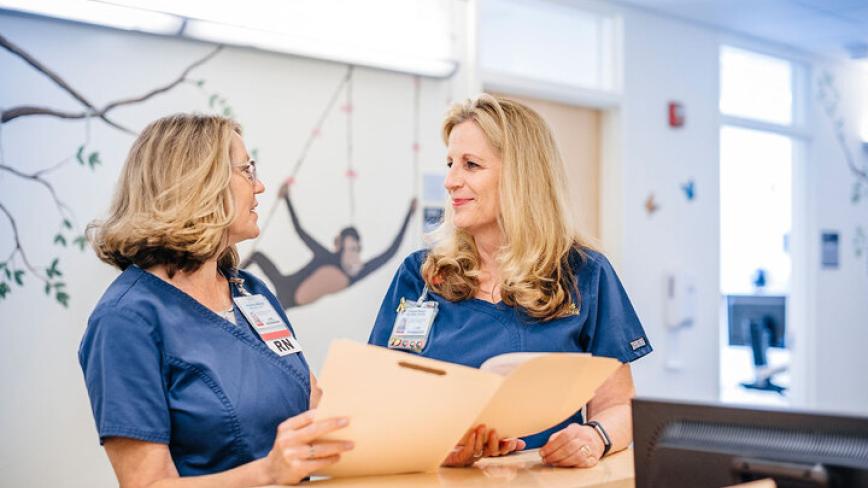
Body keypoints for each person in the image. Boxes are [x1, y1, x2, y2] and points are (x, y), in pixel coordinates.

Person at [368, 95, 652, 468]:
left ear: (522, 176)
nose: (451, 181)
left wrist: (594, 436)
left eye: (471, 165)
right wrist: (436, 445)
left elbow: (618, 404)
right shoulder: (420, 276)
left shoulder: (585, 274)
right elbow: (375, 402)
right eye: (450, 163)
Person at [80, 114, 353, 486]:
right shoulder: (126, 320)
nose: (259, 186)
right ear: (198, 184)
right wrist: (268, 473)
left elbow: (309, 404)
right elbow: (146, 484)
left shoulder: (250, 291)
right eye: (246, 170)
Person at [242, 182, 417, 308]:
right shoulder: (326, 256)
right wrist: (287, 198)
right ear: (339, 246)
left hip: (289, 300)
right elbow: (300, 231)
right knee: (256, 256)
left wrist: (409, 213)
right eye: (349, 248)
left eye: (356, 249)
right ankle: (227, 277)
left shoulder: (358, 272)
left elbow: (389, 253)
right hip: (285, 285)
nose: (353, 254)